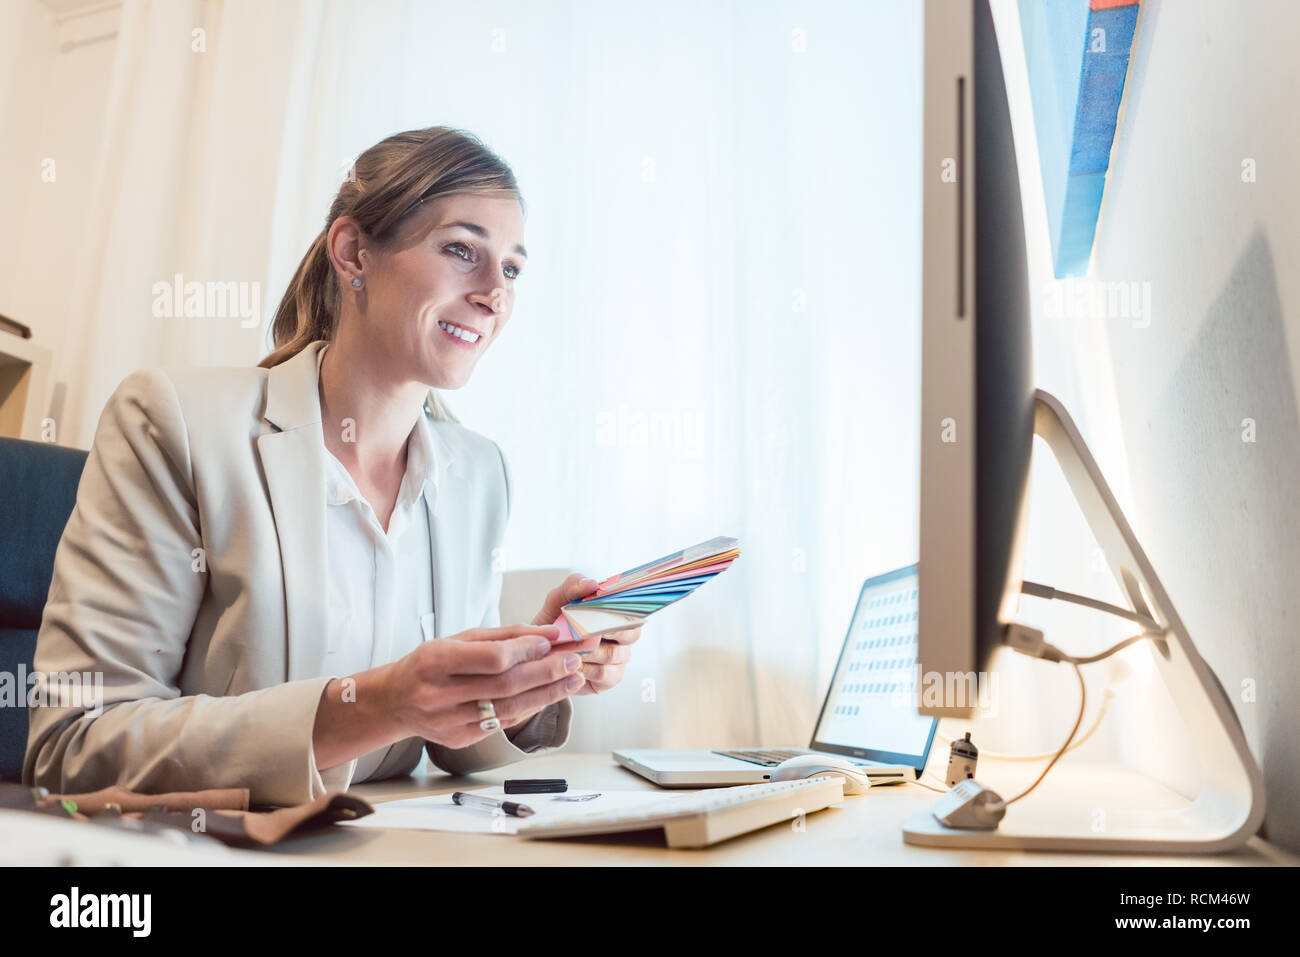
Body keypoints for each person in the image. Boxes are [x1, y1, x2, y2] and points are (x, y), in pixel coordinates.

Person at [24, 126, 640, 806]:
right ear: (353, 254)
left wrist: (525, 680)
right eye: (462, 250)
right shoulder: (174, 422)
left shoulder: (480, 472)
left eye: (513, 268)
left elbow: (446, 738)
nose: (496, 293)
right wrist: (372, 705)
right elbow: (73, 746)